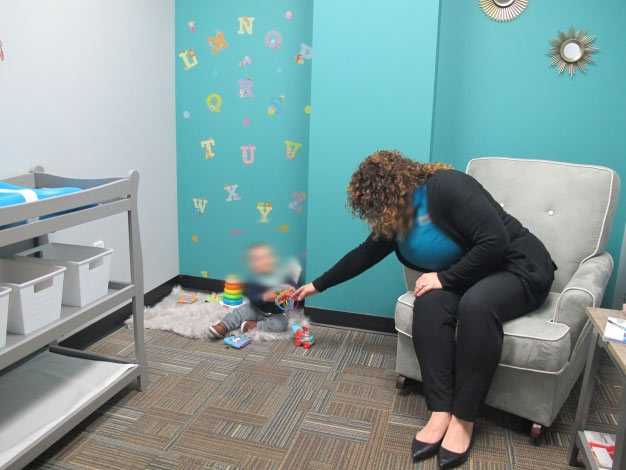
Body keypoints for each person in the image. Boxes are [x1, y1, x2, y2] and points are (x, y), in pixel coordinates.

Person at [294, 150, 556, 468]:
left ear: (395, 187)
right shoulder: (397, 216)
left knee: (476, 306)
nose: (377, 215)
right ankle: (440, 410)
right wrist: (316, 286)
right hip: (471, 273)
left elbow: (495, 242)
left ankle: (463, 418)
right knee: (428, 304)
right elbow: (364, 254)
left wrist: (445, 277)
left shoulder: (447, 186)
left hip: (517, 266)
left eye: (378, 205)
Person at [209, 243, 302, 337]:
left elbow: (293, 288)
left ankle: (253, 326)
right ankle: (223, 325)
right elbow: (252, 297)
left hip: (276, 314)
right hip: (256, 309)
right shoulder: (253, 280)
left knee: (282, 324)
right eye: (258, 259)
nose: (264, 261)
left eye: (267, 257)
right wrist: (264, 297)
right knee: (240, 312)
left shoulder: (284, 276)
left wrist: (292, 290)